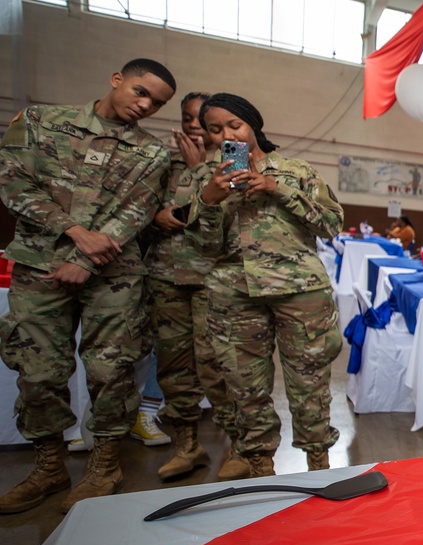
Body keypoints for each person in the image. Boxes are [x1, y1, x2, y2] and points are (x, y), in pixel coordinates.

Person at [0, 58, 176, 514]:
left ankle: (104, 467)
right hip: (40, 265)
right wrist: (74, 235)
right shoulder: (41, 121)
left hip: (112, 274)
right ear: (116, 79)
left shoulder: (152, 153)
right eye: (140, 92)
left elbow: (136, 213)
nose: (145, 105)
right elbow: (13, 181)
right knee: (37, 372)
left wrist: (84, 258)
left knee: (110, 372)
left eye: (156, 103)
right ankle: (49, 466)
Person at [187, 93, 344, 477]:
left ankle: (319, 466)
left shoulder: (296, 171)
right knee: (245, 387)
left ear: (253, 125)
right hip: (235, 295)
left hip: (300, 292)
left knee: (309, 384)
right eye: (215, 129)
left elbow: (331, 224)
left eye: (235, 125)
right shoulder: (204, 180)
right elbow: (201, 247)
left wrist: (278, 189)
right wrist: (209, 200)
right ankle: (260, 467)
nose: (227, 134)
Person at [144, 90, 241, 480]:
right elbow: (137, 206)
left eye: (205, 120)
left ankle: (239, 445)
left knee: (220, 367)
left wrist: (200, 168)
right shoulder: (163, 162)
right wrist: (156, 217)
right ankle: (188, 445)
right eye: (188, 118)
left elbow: (234, 215)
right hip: (167, 275)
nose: (195, 126)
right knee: (173, 367)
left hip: (214, 278)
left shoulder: (234, 160)